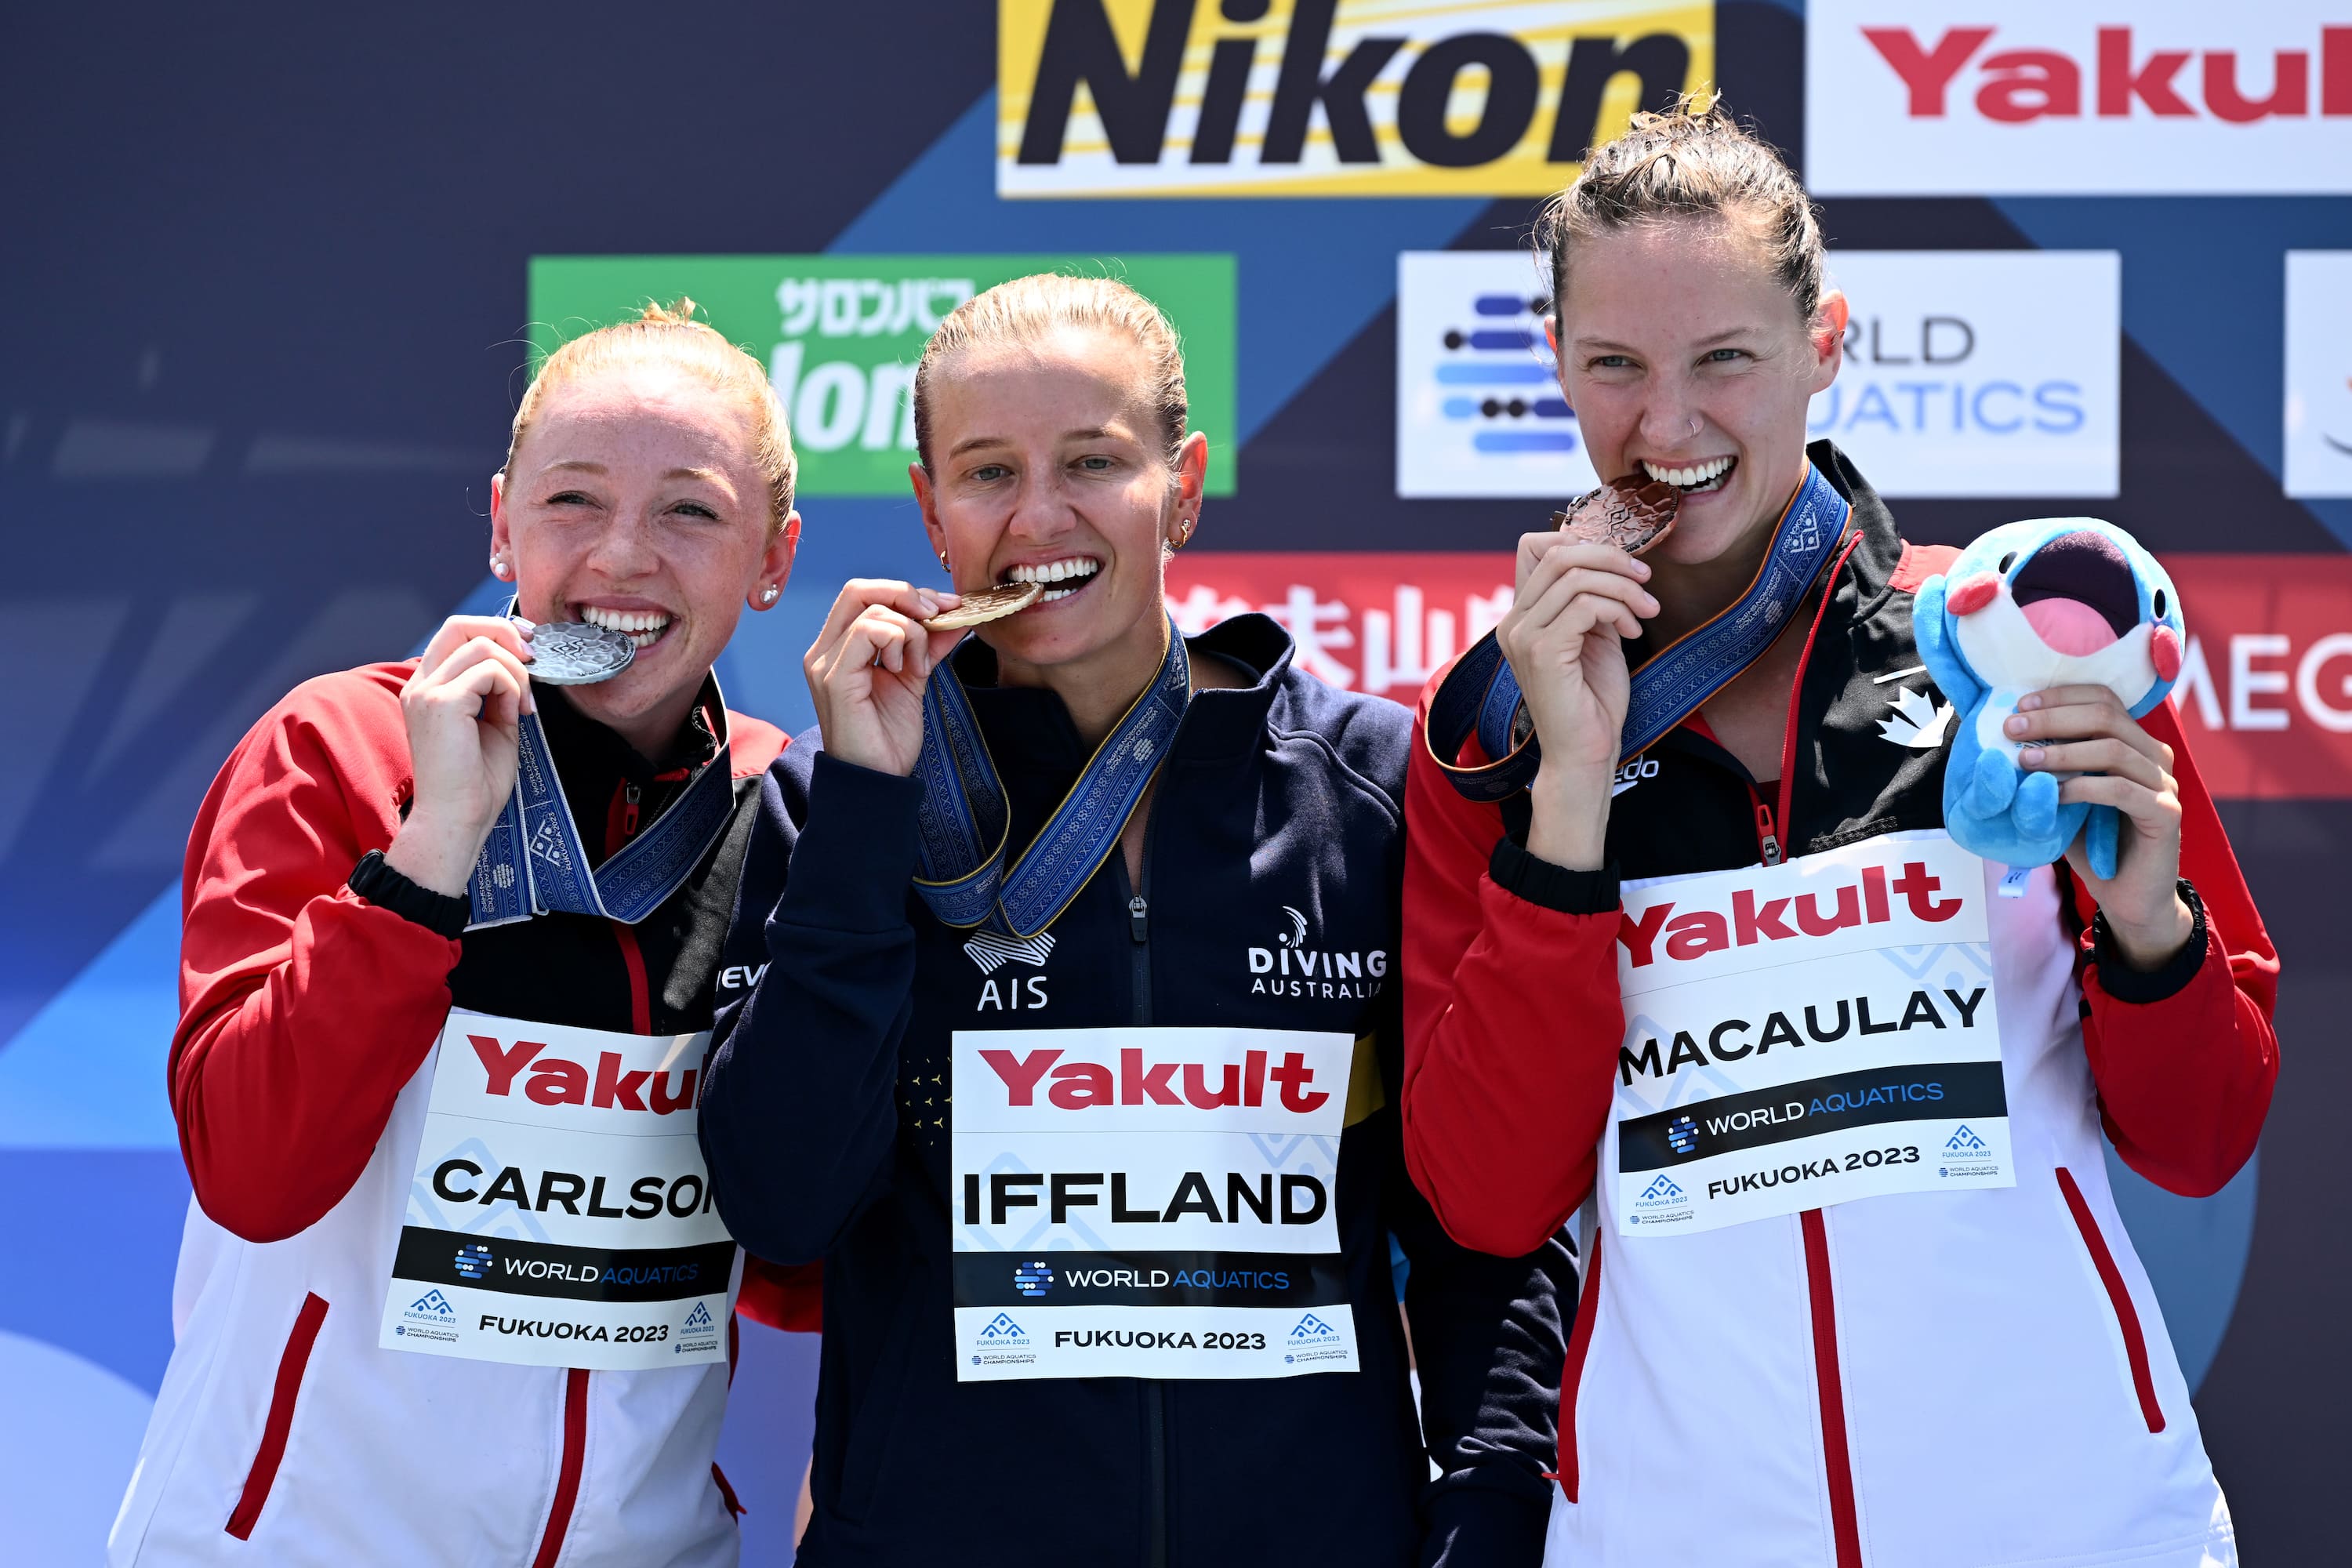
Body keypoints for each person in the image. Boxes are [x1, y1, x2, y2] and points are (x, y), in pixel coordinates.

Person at [1402, 103, 2278, 1568]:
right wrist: (1568, 803)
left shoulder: (2019, 657)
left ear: (1826, 345)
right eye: (1613, 364)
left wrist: (2150, 933)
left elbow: (2204, 1141)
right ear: (1554, 357)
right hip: (1674, 1534)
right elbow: (1489, 1208)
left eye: (1723, 361)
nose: (1664, 428)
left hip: (2070, 1525)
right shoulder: (1499, 737)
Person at [699, 274, 1573, 1566]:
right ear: (931, 510)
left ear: (1185, 485)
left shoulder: (1379, 790)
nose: (1039, 516)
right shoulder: (829, 810)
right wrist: (867, 824)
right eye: (988, 472)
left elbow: (1480, 1219)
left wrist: (1492, 1501)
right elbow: (781, 1205)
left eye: (1094, 461)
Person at [109, 302, 818, 1566]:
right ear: (500, 522)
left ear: (773, 556)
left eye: (691, 512)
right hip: (300, 1544)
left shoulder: (783, 810)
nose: (624, 555)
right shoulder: (338, 746)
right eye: (572, 503)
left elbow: (786, 1265)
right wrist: (431, 854)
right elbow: (256, 1177)